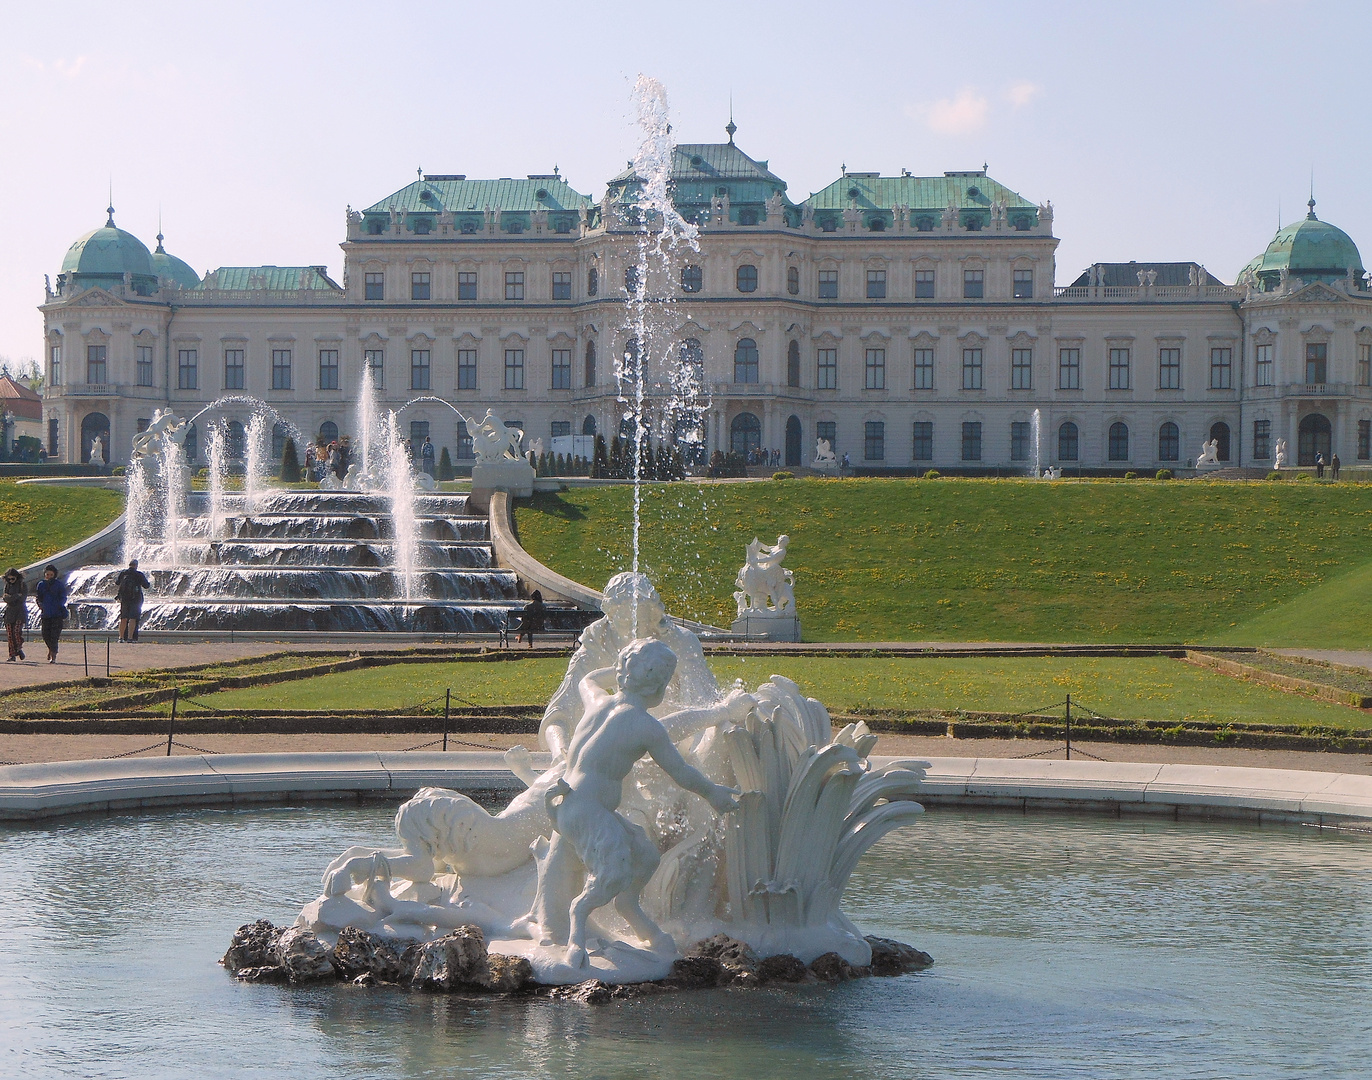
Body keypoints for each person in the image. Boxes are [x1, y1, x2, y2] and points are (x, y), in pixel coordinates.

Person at [513, 639, 742, 967]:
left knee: (646, 856)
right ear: (660, 686)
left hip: (572, 804)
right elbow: (681, 772)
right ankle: (577, 931)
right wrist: (713, 793)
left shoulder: (598, 701)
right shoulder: (645, 726)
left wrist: (621, 671)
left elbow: (586, 679)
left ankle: (630, 911)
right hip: (587, 812)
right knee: (614, 872)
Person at [33, 564, 67, 664]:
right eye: (47, 574)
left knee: (54, 636)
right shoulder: (41, 584)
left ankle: (54, 656)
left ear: (54, 575)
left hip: (57, 614)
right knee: (45, 635)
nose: (49, 576)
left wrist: (58, 605)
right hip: (46, 614)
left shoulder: (59, 585)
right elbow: (38, 597)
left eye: (51, 575)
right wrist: (41, 606)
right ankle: (51, 650)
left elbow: (63, 597)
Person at [115, 558, 151, 642]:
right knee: (133, 618)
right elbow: (146, 586)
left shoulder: (123, 573)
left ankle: (121, 638)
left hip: (124, 599)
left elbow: (117, 583)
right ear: (136, 566)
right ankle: (130, 638)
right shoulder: (138, 574)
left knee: (123, 618)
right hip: (135, 599)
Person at [3, 568, 26, 662]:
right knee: (9, 634)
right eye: (9, 579)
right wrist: (16, 596)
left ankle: (18, 648)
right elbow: (5, 598)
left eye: (13, 579)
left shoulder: (22, 585)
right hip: (9, 612)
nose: (11, 580)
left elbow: (23, 598)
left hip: (20, 612)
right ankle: (12, 655)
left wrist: (11, 598)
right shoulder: (7, 585)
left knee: (16, 632)